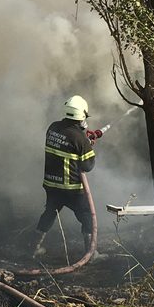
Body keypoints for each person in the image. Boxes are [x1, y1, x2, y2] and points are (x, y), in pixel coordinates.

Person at [33, 94, 98, 258]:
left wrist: (84, 140)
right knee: (87, 218)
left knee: (49, 213)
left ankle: (33, 248)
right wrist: (87, 145)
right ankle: (91, 253)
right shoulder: (80, 138)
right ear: (81, 116)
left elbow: (67, 145)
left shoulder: (53, 128)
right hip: (71, 189)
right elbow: (88, 165)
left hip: (51, 185)